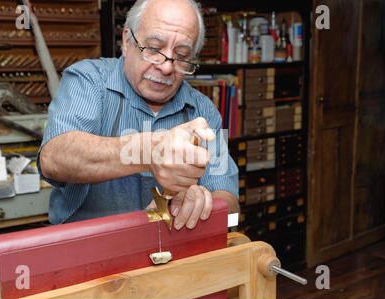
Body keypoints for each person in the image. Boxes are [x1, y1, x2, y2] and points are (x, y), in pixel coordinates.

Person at [37, 0, 240, 230]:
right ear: (127, 41)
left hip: (169, 254)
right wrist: (149, 151)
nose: (166, 67)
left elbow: (230, 202)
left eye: (181, 55)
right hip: (87, 253)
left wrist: (204, 204)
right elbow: (53, 159)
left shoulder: (204, 110)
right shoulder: (88, 80)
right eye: (154, 49)